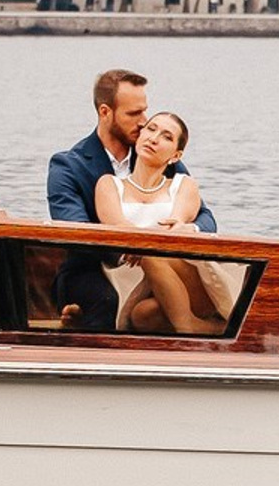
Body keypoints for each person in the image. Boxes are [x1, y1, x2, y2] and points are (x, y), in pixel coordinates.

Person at [46, 66, 215, 330]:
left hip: (162, 265)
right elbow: (76, 233)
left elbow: (203, 216)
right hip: (94, 267)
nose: (143, 122)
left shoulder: (159, 156)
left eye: (145, 110)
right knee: (105, 300)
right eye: (134, 113)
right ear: (105, 112)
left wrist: (187, 229)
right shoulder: (68, 165)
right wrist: (133, 245)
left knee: (154, 309)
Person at [95, 110, 229, 335]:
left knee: (151, 249)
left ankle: (186, 324)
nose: (154, 138)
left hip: (185, 277)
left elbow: (172, 229)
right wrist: (144, 242)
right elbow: (118, 228)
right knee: (144, 315)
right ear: (139, 136)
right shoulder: (109, 184)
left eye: (167, 136)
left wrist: (144, 245)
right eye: (151, 129)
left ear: (176, 156)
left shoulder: (183, 185)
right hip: (130, 276)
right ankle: (213, 328)